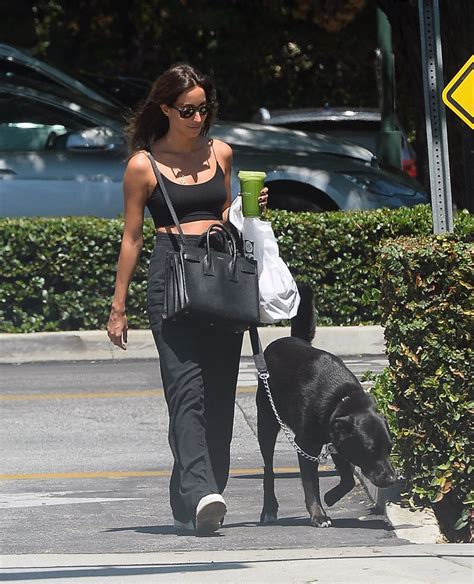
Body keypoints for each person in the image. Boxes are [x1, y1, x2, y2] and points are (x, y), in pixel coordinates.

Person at [107, 63, 268, 534]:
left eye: (203, 109)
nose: (197, 118)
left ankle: (196, 496)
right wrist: (119, 307)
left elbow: (227, 216)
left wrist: (252, 211)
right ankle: (202, 492)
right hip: (170, 279)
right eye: (187, 110)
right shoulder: (143, 164)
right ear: (165, 109)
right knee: (186, 393)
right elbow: (132, 238)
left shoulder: (221, 153)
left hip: (218, 275)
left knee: (218, 395)